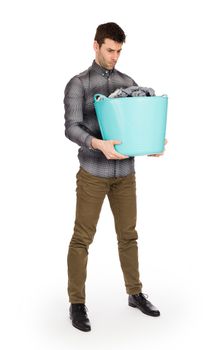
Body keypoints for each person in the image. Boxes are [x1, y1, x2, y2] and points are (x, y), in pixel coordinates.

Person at [64, 22, 166, 332]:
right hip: (93, 173)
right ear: (95, 46)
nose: (114, 57)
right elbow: (71, 127)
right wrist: (97, 144)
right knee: (83, 238)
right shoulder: (78, 84)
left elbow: (138, 123)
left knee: (128, 235)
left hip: (125, 174)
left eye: (119, 51)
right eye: (110, 50)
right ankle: (77, 303)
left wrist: (153, 142)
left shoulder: (128, 81)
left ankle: (135, 293)